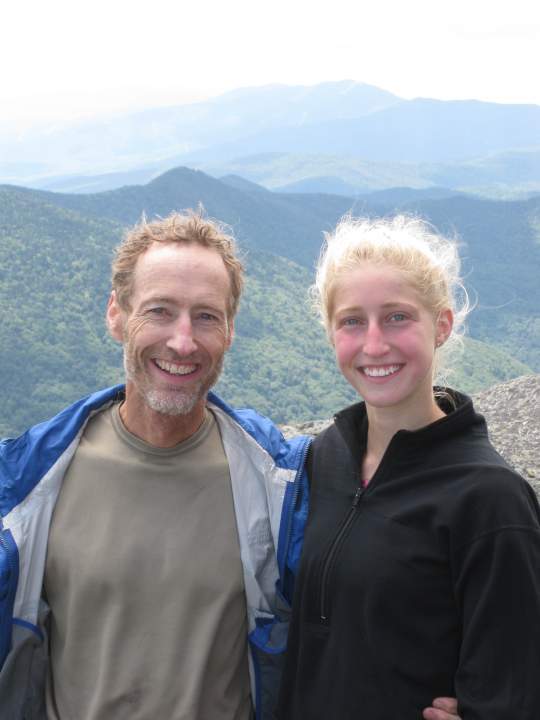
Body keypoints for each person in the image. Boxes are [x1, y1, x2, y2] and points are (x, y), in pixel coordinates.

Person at [0, 210, 461, 720]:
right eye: (159, 311)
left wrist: (461, 694)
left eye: (206, 316)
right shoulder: (28, 485)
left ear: (230, 330)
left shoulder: (281, 482)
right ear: (116, 314)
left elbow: (373, 597)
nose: (183, 341)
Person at [277, 215, 540, 719]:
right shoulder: (327, 457)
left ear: (441, 324)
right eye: (352, 321)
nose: (374, 345)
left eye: (397, 317)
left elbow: (515, 687)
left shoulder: (488, 498)